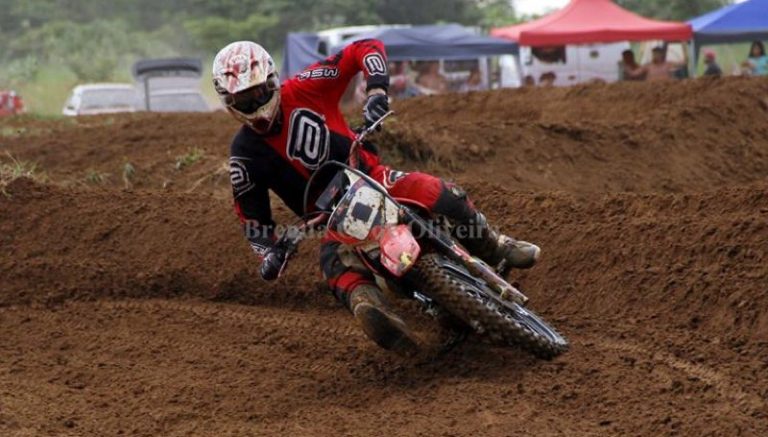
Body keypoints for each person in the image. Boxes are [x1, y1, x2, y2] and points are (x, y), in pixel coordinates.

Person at [212, 40, 541, 354]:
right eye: (244, 99)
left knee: (437, 191)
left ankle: (495, 244)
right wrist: (270, 252)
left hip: (371, 176)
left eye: (259, 92)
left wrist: (376, 92)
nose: (255, 104)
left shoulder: (306, 86)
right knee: (336, 269)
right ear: (229, 103)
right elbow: (252, 219)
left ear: (272, 80)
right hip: (332, 220)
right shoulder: (244, 156)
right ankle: (380, 318)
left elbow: (363, 48)